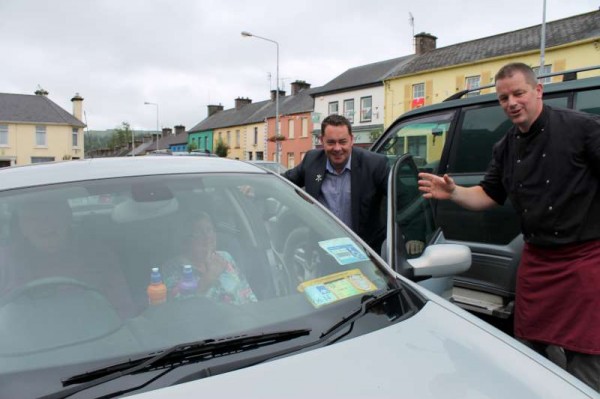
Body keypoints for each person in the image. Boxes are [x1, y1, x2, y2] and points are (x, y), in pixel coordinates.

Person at [418, 62, 600, 391]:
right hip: (538, 259)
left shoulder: (582, 128)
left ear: (537, 91)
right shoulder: (505, 147)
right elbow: (488, 195)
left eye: (519, 93)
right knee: (527, 340)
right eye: (504, 98)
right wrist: (454, 192)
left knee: (587, 352)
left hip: (583, 259)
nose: (512, 102)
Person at [0, 198, 137, 318]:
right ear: (22, 226)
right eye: (33, 218)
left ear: (67, 217)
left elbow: (124, 311)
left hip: (96, 339)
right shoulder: (4, 261)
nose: (44, 225)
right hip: (24, 343)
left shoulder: (98, 255)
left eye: (51, 215)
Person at [282, 114, 390, 252]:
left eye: (342, 142)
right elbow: (283, 182)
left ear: (352, 140)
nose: (337, 148)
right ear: (322, 141)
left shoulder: (374, 164)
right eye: (331, 142)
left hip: (365, 253)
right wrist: (251, 189)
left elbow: (402, 198)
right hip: (324, 251)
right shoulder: (311, 160)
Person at [163, 211, 257, 305]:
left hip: (243, 317)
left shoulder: (225, 257)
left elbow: (247, 293)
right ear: (185, 241)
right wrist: (210, 276)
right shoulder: (173, 268)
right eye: (198, 233)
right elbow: (178, 308)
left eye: (209, 230)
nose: (207, 236)